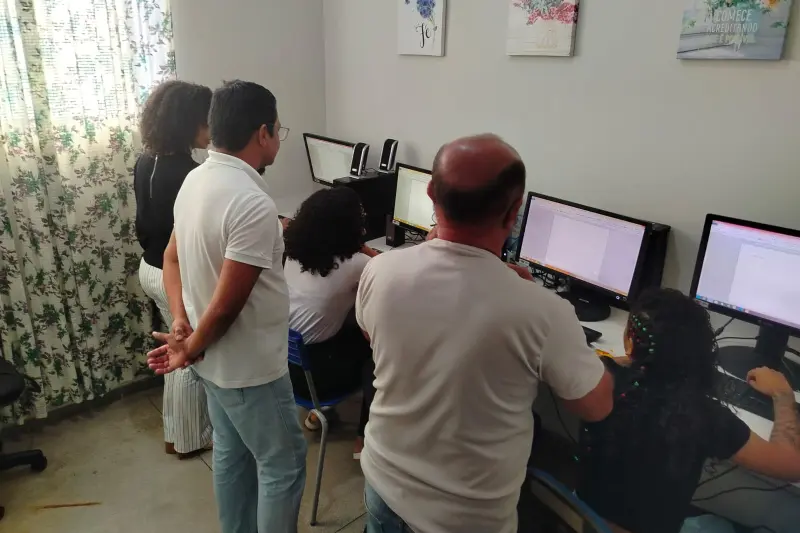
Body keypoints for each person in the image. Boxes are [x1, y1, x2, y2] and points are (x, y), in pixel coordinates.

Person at [355, 134, 615, 533]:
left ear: (430, 193)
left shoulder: (380, 270)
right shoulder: (543, 312)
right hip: (466, 517)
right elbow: (596, 407)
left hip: (383, 484)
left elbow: (374, 338)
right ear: (514, 212)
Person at [146, 80, 306, 533]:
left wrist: (181, 320)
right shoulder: (252, 202)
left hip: (212, 364)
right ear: (262, 134)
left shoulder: (195, 180)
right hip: (249, 370)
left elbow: (171, 258)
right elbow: (225, 308)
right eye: (278, 130)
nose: (278, 139)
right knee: (283, 465)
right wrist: (189, 344)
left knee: (232, 455)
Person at [577, 288, 800, 533]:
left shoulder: (597, 377)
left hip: (581, 521)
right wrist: (783, 394)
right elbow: (792, 467)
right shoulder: (703, 415)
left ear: (631, 341)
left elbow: (617, 361)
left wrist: (635, 358)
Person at [134, 80, 213, 459]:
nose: (212, 130)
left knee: (173, 348)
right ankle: (187, 440)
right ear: (187, 123)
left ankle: (174, 433)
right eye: (206, 122)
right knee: (186, 356)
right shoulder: (189, 173)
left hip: (149, 267)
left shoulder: (146, 160)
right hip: (172, 274)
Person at [283, 187, 378, 458]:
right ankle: (363, 438)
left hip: (286, 367)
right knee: (377, 351)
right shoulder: (357, 263)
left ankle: (317, 413)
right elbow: (388, 269)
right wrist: (364, 247)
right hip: (319, 378)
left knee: (347, 321)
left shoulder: (294, 252)